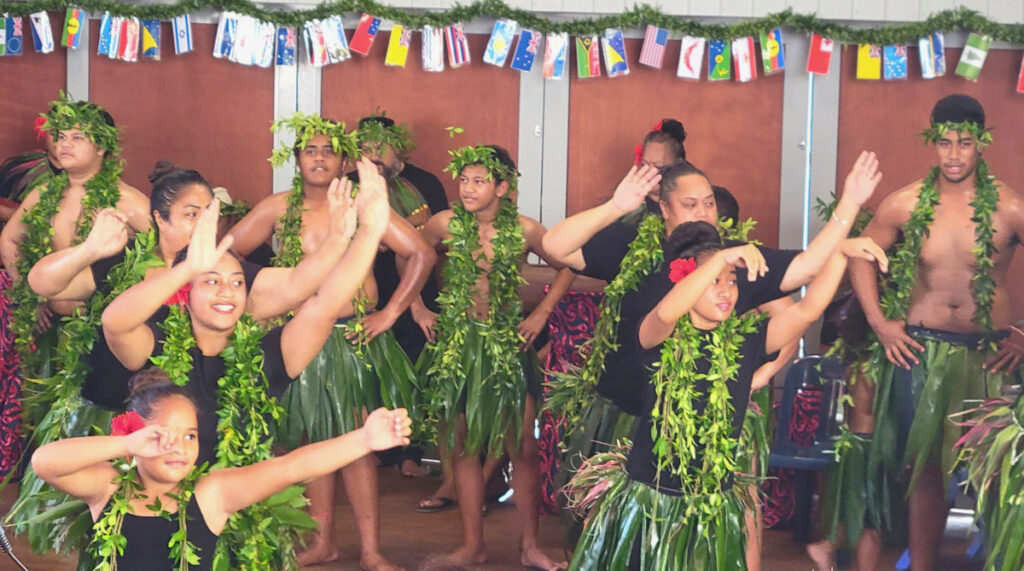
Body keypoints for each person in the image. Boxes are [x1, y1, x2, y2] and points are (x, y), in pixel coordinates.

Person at [566, 221, 887, 570]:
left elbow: (806, 312)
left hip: (712, 506)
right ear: (688, 283)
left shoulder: (745, 344)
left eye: (732, 282)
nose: (726, 291)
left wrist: (840, 255)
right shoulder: (657, 339)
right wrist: (720, 260)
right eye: (714, 282)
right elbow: (666, 311)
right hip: (651, 505)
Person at [227, 114, 434, 570]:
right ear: (297, 159)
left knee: (358, 445)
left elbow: (421, 251)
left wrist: (392, 312)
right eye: (309, 150)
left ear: (343, 160)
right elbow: (227, 252)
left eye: (328, 150)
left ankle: (372, 550)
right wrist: (257, 299)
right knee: (308, 441)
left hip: (353, 340)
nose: (319, 158)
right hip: (299, 339)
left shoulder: (364, 204)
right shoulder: (279, 208)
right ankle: (323, 542)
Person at [847, 94, 1024, 570]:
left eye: (964, 143)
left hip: (989, 356)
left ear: (980, 144)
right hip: (922, 353)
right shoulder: (904, 204)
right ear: (932, 141)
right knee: (924, 468)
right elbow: (859, 253)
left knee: (994, 468)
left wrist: (1023, 336)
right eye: (944, 142)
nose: (953, 154)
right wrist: (881, 323)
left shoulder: (1009, 208)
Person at [31, 367, 411, 570]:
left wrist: (363, 439)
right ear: (138, 433)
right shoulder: (111, 489)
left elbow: (291, 468)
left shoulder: (211, 494)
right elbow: (45, 462)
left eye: (191, 436)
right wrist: (123, 445)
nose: (180, 447)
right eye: (165, 435)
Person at [417, 144, 572, 570]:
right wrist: (415, 305)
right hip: (460, 344)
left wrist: (540, 312)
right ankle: (472, 546)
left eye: (479, 181)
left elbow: (568, 265)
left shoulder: (525, 230)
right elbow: (411, 253)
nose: (467, 188)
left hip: (506, 345)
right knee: (463, 446)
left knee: (521, 445)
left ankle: (530, 547)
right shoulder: (444, 223)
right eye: (464, 179)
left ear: (502, 187)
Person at [356, 112, 447, 478]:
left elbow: (433, 244)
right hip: (365, 294)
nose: (373, 154)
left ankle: (410, 451)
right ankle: (375, 448)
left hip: (417, 293)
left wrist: (417, 305)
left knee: (413, 372)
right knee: (370, 372)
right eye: (364, 147)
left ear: (399, 146)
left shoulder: (424, 183)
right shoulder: (349, 183)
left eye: (381, 145)